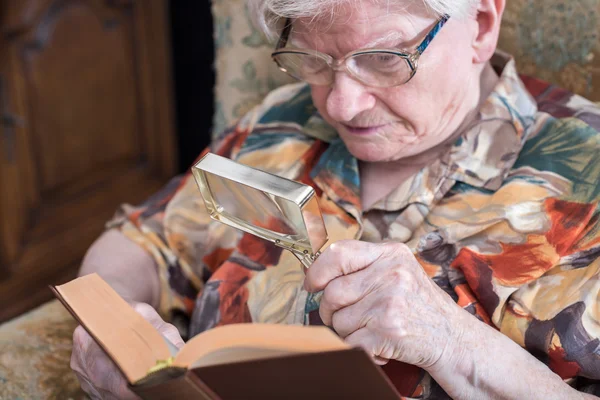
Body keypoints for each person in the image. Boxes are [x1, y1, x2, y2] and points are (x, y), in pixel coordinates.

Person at [70, 0, 600, 398]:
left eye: (384, 59)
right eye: (314, 59)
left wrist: (451, 340)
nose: (342, 104)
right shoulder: (282, 120)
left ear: (481, 25)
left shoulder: (587, 177)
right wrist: (112, 326)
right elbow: (140, 238)